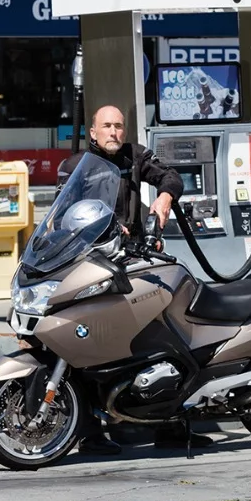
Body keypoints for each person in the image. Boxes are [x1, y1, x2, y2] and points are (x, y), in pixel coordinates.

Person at [58, 105, 191, 456]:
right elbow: (59, 218)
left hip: (131, 260)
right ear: (92, 131)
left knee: (162, 329)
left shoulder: (136, 156)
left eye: (119, 126)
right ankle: (90, 430)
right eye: (107, 126)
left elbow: (172, 176)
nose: (114, 132)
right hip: (90, 264)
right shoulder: (75, 167)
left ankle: (169, 421)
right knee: (86, 341)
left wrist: (164, 197)